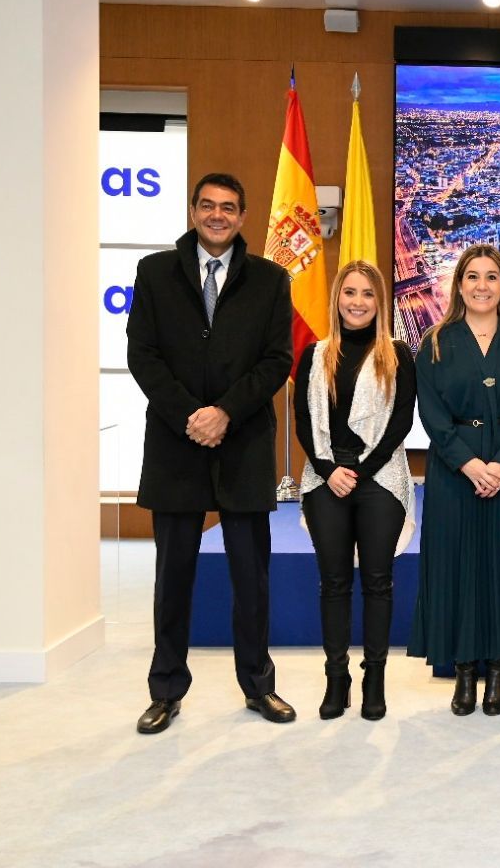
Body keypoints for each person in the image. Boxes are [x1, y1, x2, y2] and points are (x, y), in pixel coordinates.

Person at [126, 172, 295, 733]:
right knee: (173, 578)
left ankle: (259, 686)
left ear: (242, 216)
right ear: (193, 211)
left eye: (228, 207)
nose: (217, 215)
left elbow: (276, 360)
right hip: (175, 446)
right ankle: (165, 690)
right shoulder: (154, 272)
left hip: (242, 443)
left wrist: (225, 412)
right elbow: (142, 354)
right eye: (207, 205)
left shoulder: (271, 279)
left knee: (252, 579)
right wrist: (190, 416)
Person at [408, 244, 500, 715]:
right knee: (458, 565)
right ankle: (464, 669)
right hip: (454, 471)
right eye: (473, 276)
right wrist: (469, 464)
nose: (482, 286)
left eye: (492, 277)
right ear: (459, 285)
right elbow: (432, 414)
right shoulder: (434, 341)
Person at [295, 261, 416, 721]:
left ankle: (374, 680)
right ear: (337, 299)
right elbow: (303, 421)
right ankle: (336, 677)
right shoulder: (314, 354)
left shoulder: (398, 354)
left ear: (380, 303)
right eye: (350, 292)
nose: (358, 302)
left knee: (378, 582)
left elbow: (401, 421)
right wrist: (329, 470)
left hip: (379, 478)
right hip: (325, 478)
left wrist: (360, 472)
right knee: (333, 583)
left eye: (368, 294)